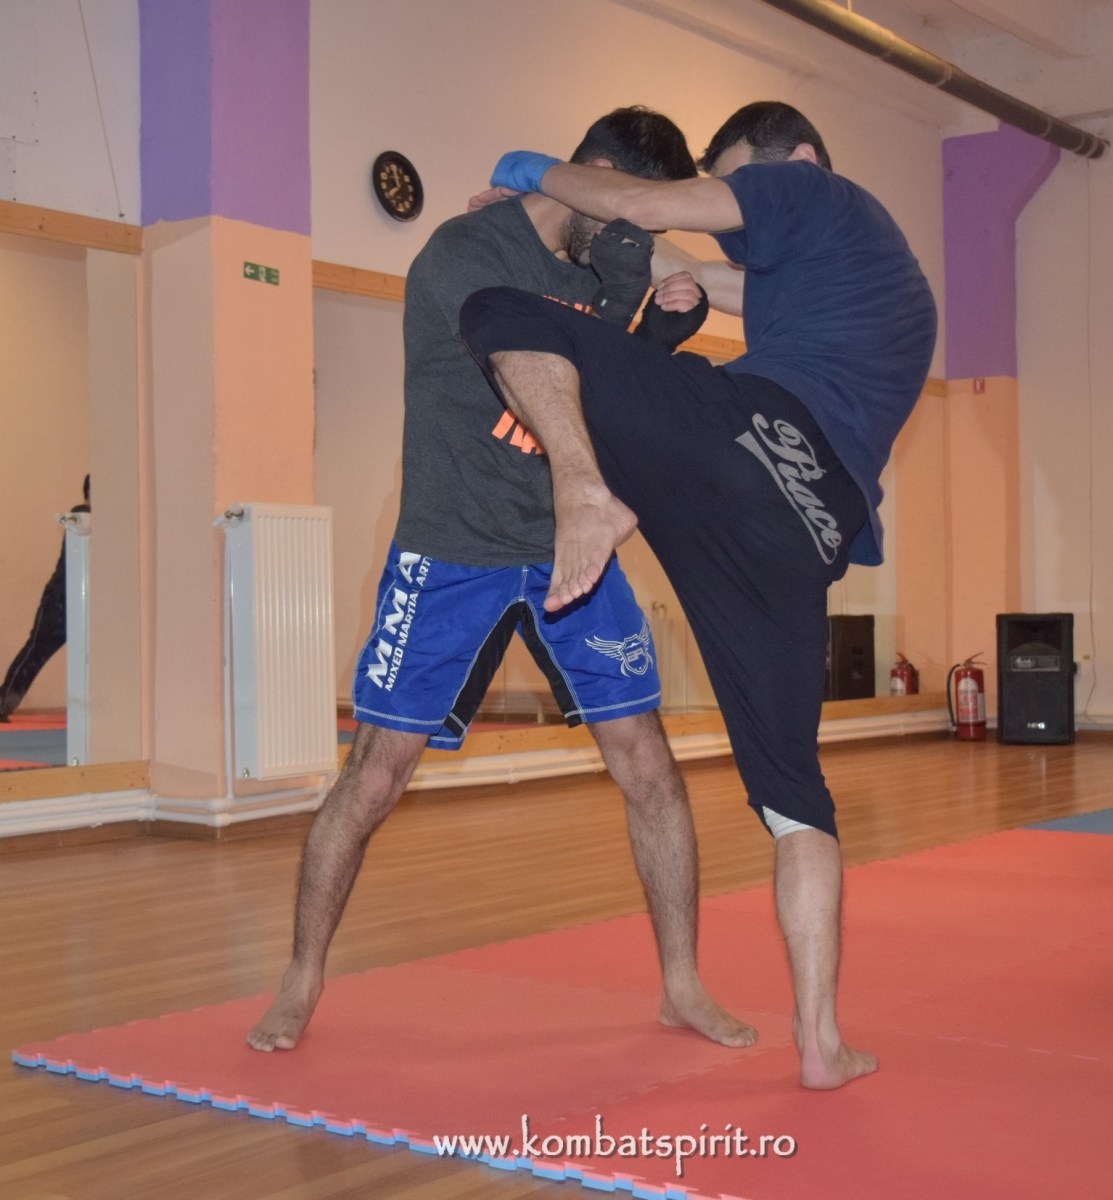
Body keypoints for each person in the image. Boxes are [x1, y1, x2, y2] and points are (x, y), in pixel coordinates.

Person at [247, 108, 751, 1054]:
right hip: (453, 545)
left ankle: (683, 983)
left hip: (570, 543)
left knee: (648, 762)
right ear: (586, 175)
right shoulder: (464, 251)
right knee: (376, 773)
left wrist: (659, 336)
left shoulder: (605, 262)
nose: (634, 233)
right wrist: (621, 321)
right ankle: (300, 980)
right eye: (626, 209)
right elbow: (529, 379)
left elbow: (600, 397)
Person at [458, 101, 938, 1089]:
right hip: (807, 529)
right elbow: (687, 260)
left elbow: (642, 205)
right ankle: (821, 1043)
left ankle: (584, 488)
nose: (729, 210)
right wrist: (654, 271)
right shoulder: (858, 278)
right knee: (794, 796)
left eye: (734, 182)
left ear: (795, 159)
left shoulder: (818, 191)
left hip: (750, 442)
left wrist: (531, 171)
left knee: (497, 311)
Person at [0, 475, 90, 722]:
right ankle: (3, 702)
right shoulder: (80, 516)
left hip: (85, 599)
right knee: (36, 651)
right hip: (60, 599)